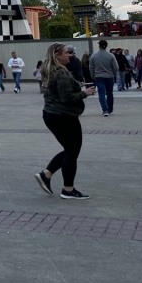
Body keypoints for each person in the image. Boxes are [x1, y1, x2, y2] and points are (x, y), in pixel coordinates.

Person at [34, 42, 96, 200]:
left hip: (52, 114)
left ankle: (46, 175)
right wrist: (85, 93)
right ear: (57, 55)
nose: (70, 55)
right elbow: (67, 98)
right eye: (66, 53)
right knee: (72, 151)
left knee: (70, 149)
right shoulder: (60, 72)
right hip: (63, 116)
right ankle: (68, 189)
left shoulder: (50, 70)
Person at [88, 39, 118, 117]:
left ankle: (104, 110)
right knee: (109, 92)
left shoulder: (94, 56)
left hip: (98, 76)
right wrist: (113, 74)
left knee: (101, 93)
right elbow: (115, 67)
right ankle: (110, 108)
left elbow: (91, 67)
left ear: (99, 46)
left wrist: (93, 75)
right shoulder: (111, 55)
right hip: (109, 76)